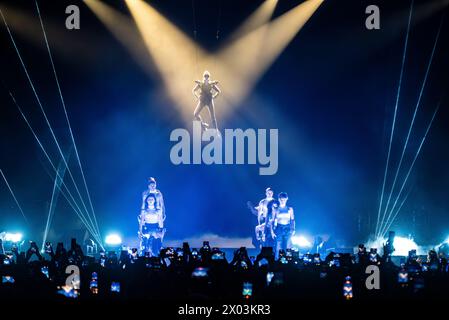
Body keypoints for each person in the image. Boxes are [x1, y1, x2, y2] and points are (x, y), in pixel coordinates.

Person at [274, 192, 295, 256]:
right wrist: (272, 231)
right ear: (279, 199)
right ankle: (277, 260)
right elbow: (273, 220)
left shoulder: (290, 209)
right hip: (279, 227)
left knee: (288, 245)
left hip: (287, 227)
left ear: (286, 199)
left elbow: (292, 219)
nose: (282, 201)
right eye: (281, 199)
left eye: (284, 199)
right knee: (278, 245)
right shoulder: (276, 209)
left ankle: (289, 261)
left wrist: (293, 229)